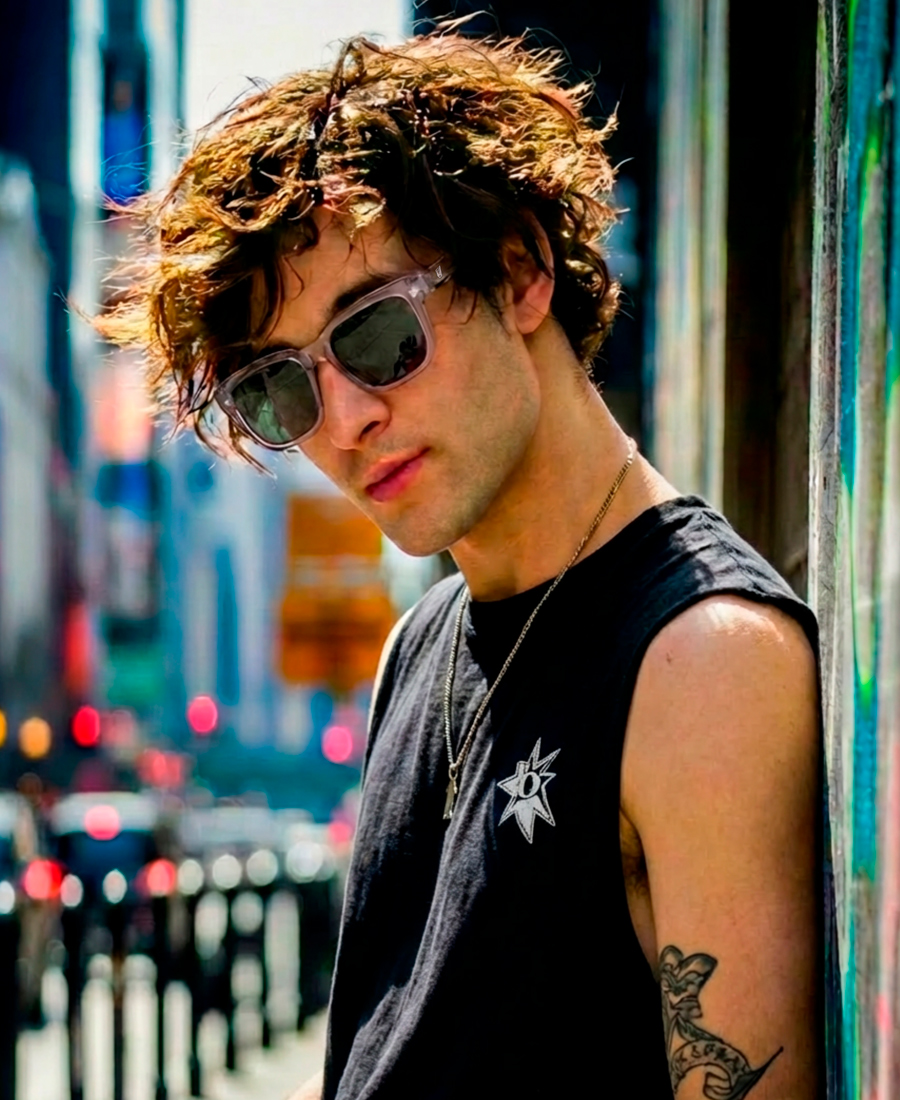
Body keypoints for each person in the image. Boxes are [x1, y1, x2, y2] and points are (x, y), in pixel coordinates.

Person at [97, 31, 821, 1099]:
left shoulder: (703, 664)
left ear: (520, 271)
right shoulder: (422, 644)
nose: (347, 419)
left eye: (377, 334)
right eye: (283, 389)